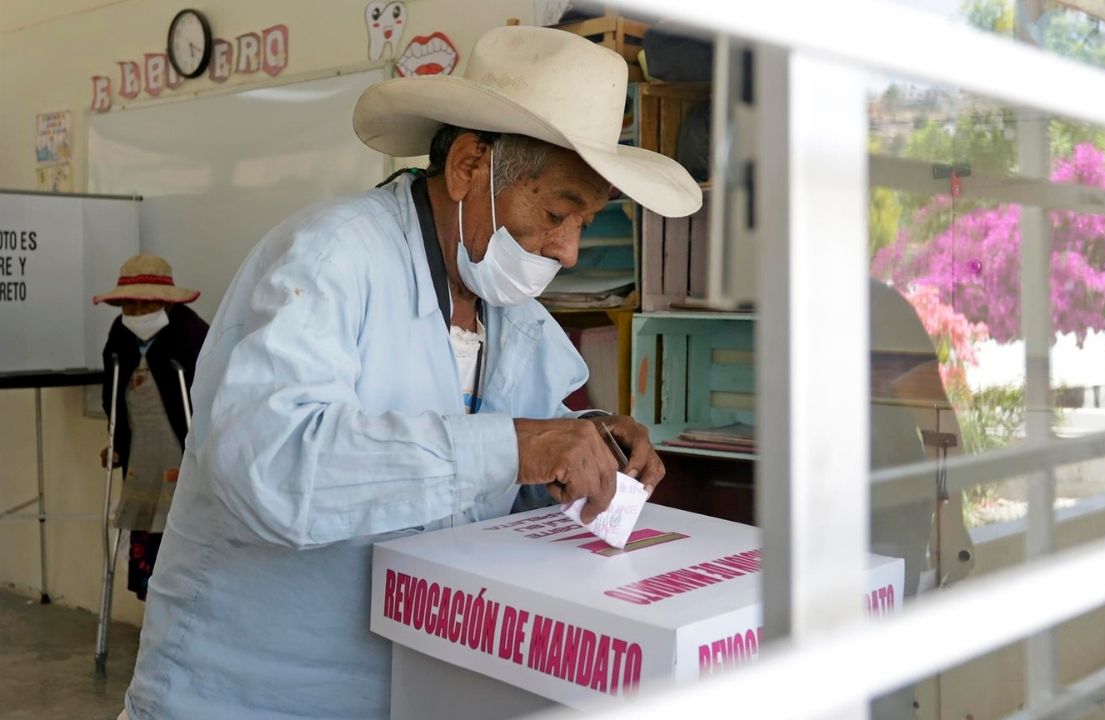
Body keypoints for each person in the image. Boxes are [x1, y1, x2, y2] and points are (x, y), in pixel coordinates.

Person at [121, 26, 700, 720]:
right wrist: (518, 446)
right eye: (555, 213)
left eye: (585, 221)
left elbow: (499, 482)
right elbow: (271, 470)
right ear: (467, 167)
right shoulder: (335, 257)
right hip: (245, 691)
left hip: (411, 683)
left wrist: (586, 449)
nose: (570, 251)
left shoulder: (508, 311)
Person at [93, 254, 208, 601]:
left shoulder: (191, 332)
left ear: (164, 300)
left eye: (145, 302)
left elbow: (212, 396)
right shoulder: (121, 333)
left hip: (182, 454)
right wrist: (115, 443)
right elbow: (112, 394)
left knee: (181, 537)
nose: (137, 309)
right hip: (141, 459)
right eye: (129, 302)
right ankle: (151, 613)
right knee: (146, 533)